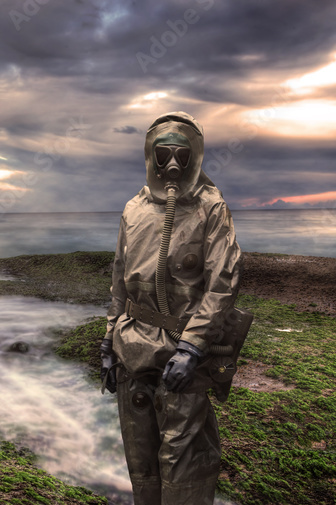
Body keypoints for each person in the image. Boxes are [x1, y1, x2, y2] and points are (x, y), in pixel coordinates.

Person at [100, 111, 242, 504]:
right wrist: (109, 341)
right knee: (141, 459)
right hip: (132, 351)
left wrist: (192, 346)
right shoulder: (134, 209)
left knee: (184, 461)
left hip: (181, 359)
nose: (173, 164)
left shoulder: (210, 208)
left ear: (194, 155)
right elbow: (119, 280)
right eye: (164, 155)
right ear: (151, 156)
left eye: (181, 154)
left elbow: (222, 284)